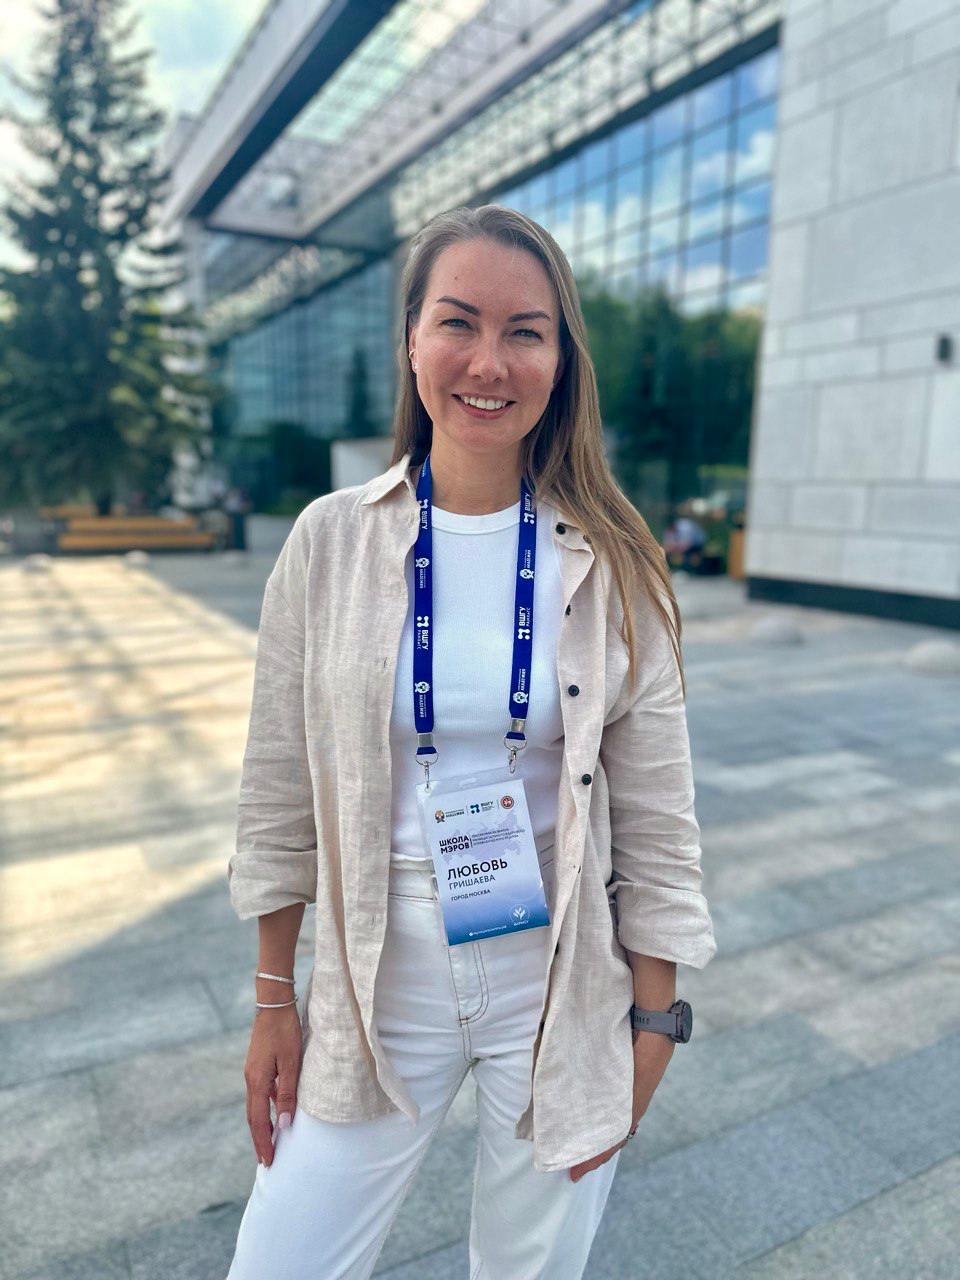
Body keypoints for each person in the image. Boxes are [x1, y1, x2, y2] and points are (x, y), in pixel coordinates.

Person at [225, 205, 718, 1279]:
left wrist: (654, 1024)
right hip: (378, 964)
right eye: (458, 322)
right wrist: (272, 997)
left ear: (561, 359)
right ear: (412, 339)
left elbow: (658, 823)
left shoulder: (615, 560)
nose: (489, 363)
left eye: (525, 332)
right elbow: (275, 794)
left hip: (557, 974)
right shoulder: (330, 541)